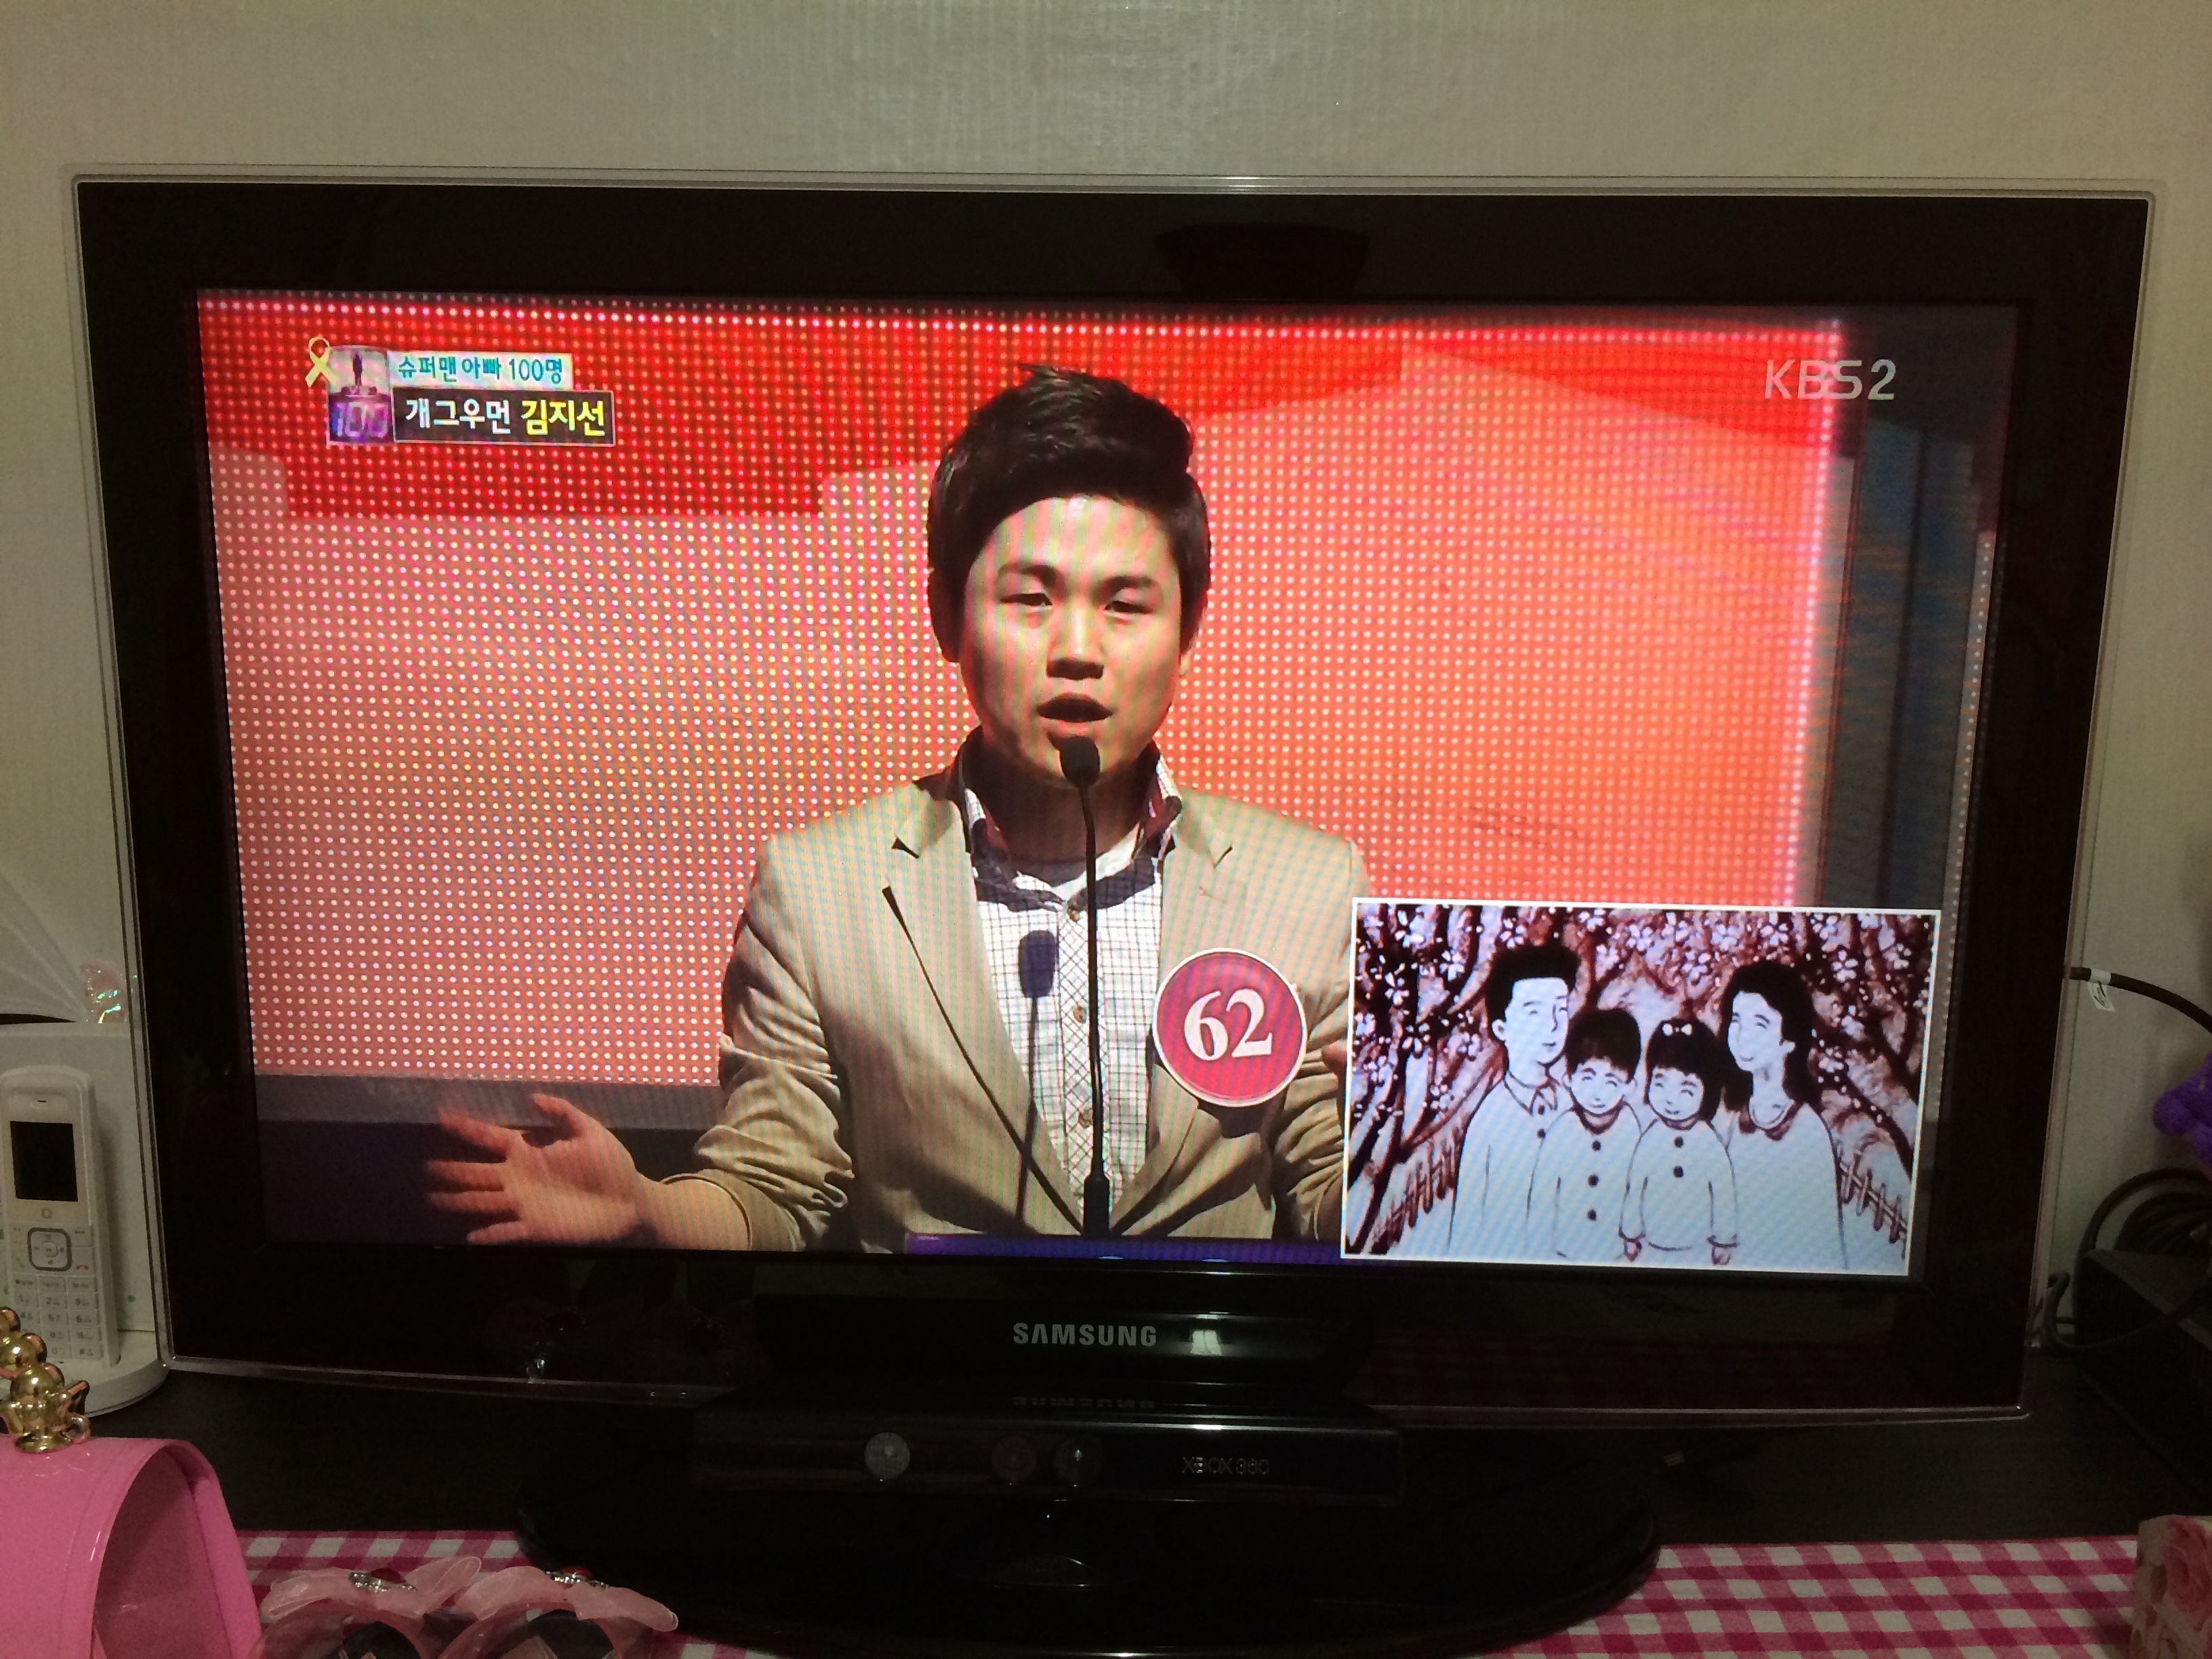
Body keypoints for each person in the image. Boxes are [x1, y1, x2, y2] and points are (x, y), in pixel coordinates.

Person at [426, 367, 1367, 1252]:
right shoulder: (818, 889)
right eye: (1031, 599)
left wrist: (1419, 1159)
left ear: (1188, 627)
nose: (1078, 648)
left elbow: (1330, 1187)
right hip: (931, 1357)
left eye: (1125, 605)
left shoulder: (1311, 886)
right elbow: (773, 1189)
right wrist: (649, 1207)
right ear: (947, 618)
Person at [1430, 940, 1578, 1258]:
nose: (1553, 1025)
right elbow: (1468, 1229)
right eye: (1535, 1012)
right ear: (1501, 1028)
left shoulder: (1573, 1105)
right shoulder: (1490, 1120)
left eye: (1561, 1009)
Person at [1717, 960, 1850, 1272]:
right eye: (1736, 1020)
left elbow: (1822, 1242)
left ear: (1789, 1039)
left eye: (1759, 1024)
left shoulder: (1808, 1132)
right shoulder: (1734, 1121)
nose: (1743, 1036)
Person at [1528, 1006, 1642, 1264]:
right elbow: (1543, 1196)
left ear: (1629, 1086)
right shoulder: (1562, 1131)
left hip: (1618, 1258)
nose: (1597, 1092)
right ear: (1569, 1079)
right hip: (1563, 1255)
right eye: (1588, 1078)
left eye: (1611, 1081)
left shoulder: (1633, 1132)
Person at [1620, 1018, 1738, 1268]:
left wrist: (1724, 1239)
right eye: (1660, 1083)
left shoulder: (1709, 1142)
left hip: (1699, 1251)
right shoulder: (1650, 1139)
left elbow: (1723, 1193)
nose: (1670, 1099)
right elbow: (1636, 1187)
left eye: (1686, 1089)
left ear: (1708, 1091)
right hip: (1651, 1249)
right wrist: (1631, 1233)